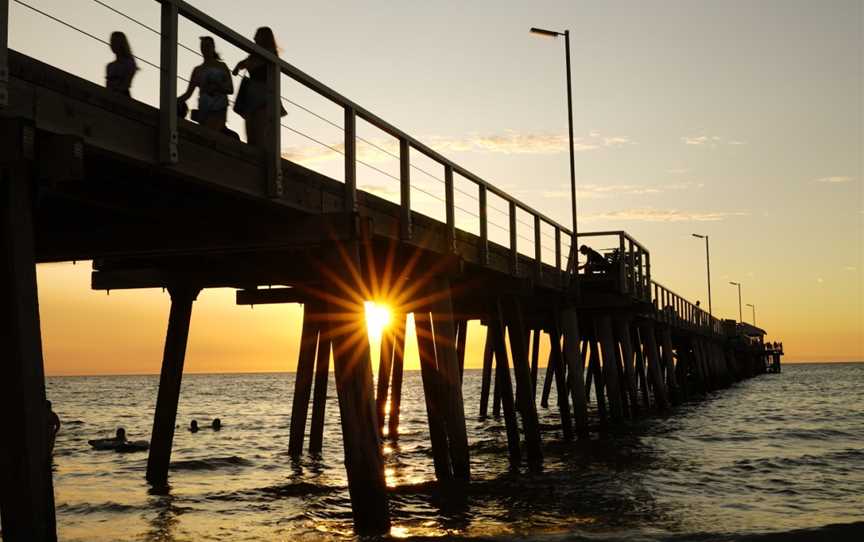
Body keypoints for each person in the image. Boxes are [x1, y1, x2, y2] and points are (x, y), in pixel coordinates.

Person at [232, 27, 281, 146]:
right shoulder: (254, 54)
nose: (254, 38)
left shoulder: (270, 53)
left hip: (263, 96)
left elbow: (254, 65)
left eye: (257, 35)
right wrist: (238, 67)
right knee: (251, 132)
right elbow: (243, 64)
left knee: (260, 132)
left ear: (264, 37)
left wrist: (243, 65)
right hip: (252, 96)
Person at [179, 36, 233, 132]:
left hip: (219, 108)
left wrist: (217, 87)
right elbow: (188, 93)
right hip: (204, 108)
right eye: (203, 46)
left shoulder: (222, 66)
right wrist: (175, 101)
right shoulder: (198, 70)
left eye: (207, 46)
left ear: (213, 47)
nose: (205, 48)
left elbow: (230, 89)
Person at [106, 31, 138, 96]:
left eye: (115, 42)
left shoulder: (129, 63)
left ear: (121, 44)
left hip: (122, 96)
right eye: (111, 41)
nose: (112, 44)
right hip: (110, 95)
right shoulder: (110, 66)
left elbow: (126, 84)